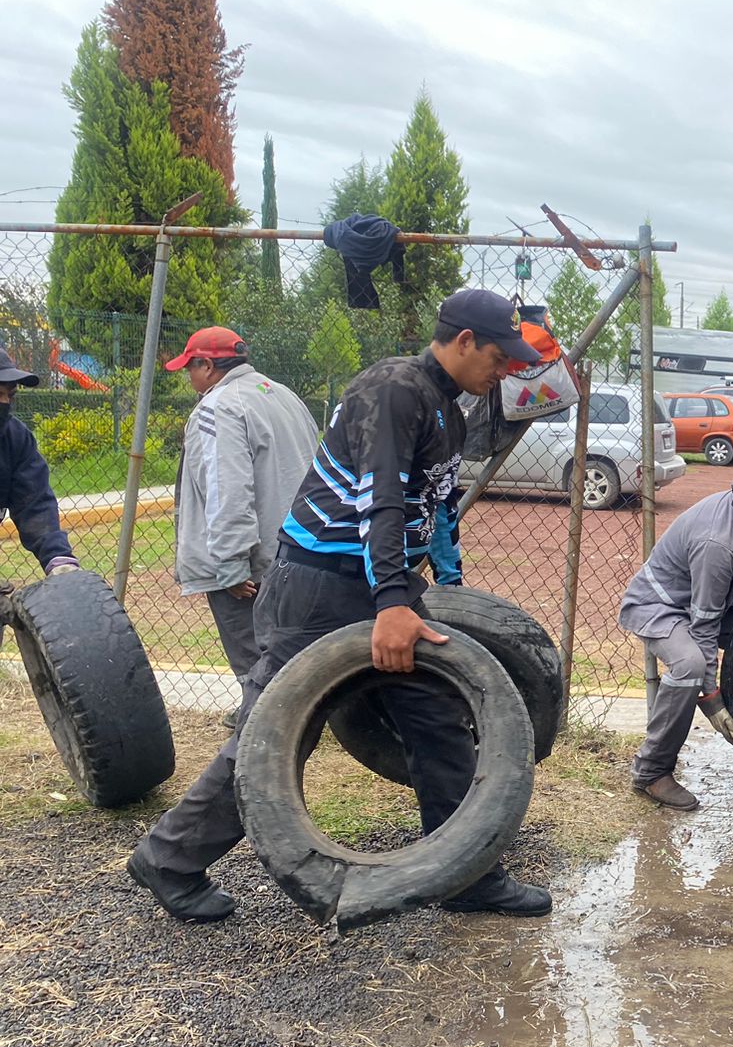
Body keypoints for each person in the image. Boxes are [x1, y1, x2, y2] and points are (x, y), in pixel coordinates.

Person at [128, 289, 550, 924]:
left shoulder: (448, 410)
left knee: (436, 712)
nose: (504, 369)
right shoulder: (391, 390)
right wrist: (390, 602)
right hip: (322, 586)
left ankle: (467, 873)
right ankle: (169, 858)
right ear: (464, 340)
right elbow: (377, 499)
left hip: (382, 583)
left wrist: (430, 585)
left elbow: (430, 511)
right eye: (497, 356)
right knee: (275, 735)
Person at [618, 453, 733, 811]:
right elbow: (703, 632)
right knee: (688, 666)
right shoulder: (717, 544)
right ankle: (651, 771)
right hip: (659, 607)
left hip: (702, 601)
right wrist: (713, 703)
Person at [166, 328, 319, 727]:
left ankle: (264, 725)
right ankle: (291, 715)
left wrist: (230, 563)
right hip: (299, 546)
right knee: (288, 643)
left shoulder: (218, 408)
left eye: (190, 367)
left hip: (250, 560)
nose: (189, 377)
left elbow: (226, 488)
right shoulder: (283, 395)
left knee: (253, 653)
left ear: (208, 365)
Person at [0, 346, 80, 579]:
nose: (4, 402)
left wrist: (58, 559)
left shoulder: (15, 438)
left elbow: (34, 503)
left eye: (10, 395)